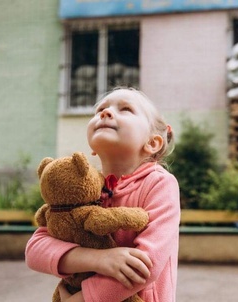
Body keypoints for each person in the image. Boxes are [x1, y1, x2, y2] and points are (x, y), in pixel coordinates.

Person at [25, 87, 180, 302]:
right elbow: (34, 250)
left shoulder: (160, 183)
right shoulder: (82, 186)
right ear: (94, 148)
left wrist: (82, 299)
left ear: (152, 143)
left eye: (125, 109)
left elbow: (146, 265)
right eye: (100, 109)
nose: (105, 113)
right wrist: (98, 259)